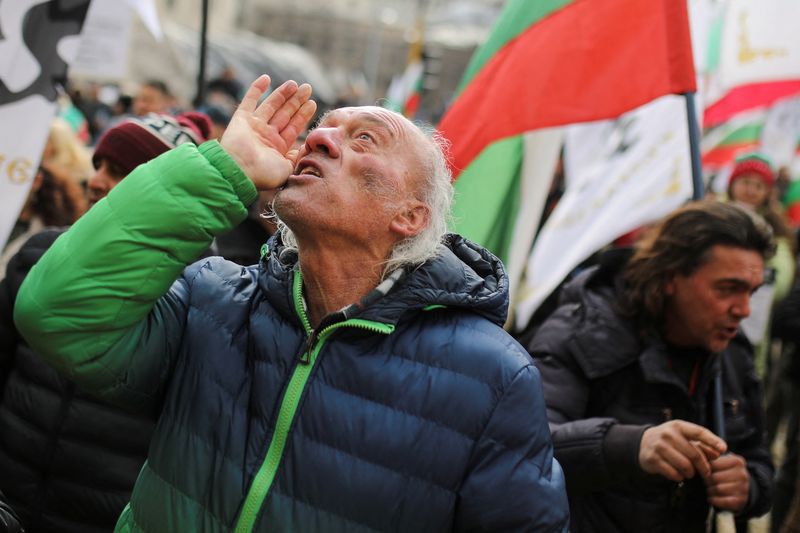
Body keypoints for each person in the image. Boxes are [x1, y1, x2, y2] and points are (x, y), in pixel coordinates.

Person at [14, 75, 569, 532]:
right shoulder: (213, 297)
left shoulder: (493, 378)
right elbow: (58, 313)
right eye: (320, 131)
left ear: (410, 216)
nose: (319, 140)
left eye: (365, 139)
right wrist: (220, 169)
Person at [0, 111, 212, 532]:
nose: (95, 181)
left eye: (118, 172)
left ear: (163, 192)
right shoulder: (42, 255)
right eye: (98, 165)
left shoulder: (203, 294)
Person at [527, 201, 774, 533]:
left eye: (751, 293)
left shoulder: (733, 352)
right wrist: (630, 445)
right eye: (728, 289)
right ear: (672, 275)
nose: (743, 310)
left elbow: (758, 456)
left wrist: (749, 487)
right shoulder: (581, 332)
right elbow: (530, 445)